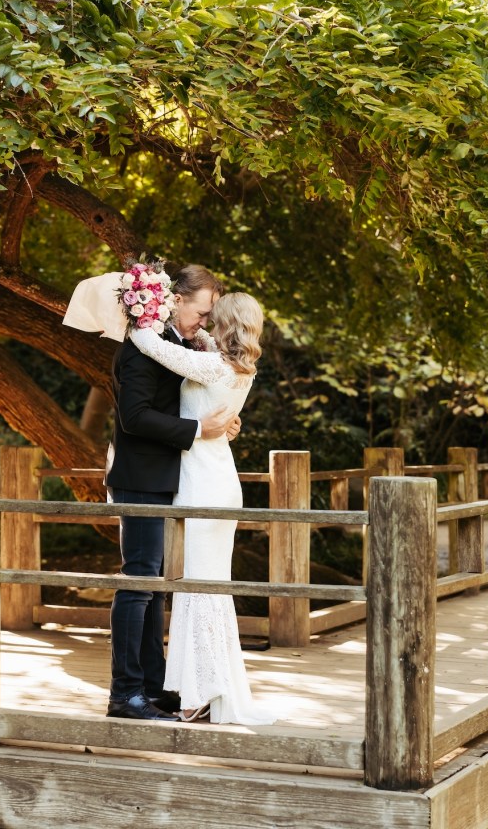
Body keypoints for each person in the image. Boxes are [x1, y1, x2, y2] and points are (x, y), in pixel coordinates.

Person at [129, 292, 274, 725]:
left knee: (199, 589)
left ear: (226, 324)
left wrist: (140, 305)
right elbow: (204, 347)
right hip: (216, 480)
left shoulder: (213, 365)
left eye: (214, 318)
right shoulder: (235, 366)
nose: (206, 323)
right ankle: (208, 687)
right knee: (208, 588)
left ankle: (199, 693)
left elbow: (151, 345)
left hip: (204, 484)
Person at [105, 265, 240, 721]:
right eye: (200, 312)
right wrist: (199, 428)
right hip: (140, 477)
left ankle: (151, 685)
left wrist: (217, 423)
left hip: (166, 479)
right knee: (138, 584)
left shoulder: (174, 347)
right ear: (175, 300)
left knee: (154, 587)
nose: (203, 322)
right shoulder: (140, 351)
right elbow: (134, 417)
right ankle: (124, 693)